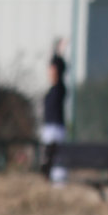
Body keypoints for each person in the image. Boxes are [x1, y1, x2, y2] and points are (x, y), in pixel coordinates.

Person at [41, 51, 68, 185]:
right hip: (49, 129)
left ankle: (58, 184)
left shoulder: (60, 88)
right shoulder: (53, 89)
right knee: (49, 160)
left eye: (52, 68)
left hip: (55, 130)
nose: (49, 71)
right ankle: (52, 182)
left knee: (56, 161)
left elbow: (60, 65)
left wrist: (58, 54)